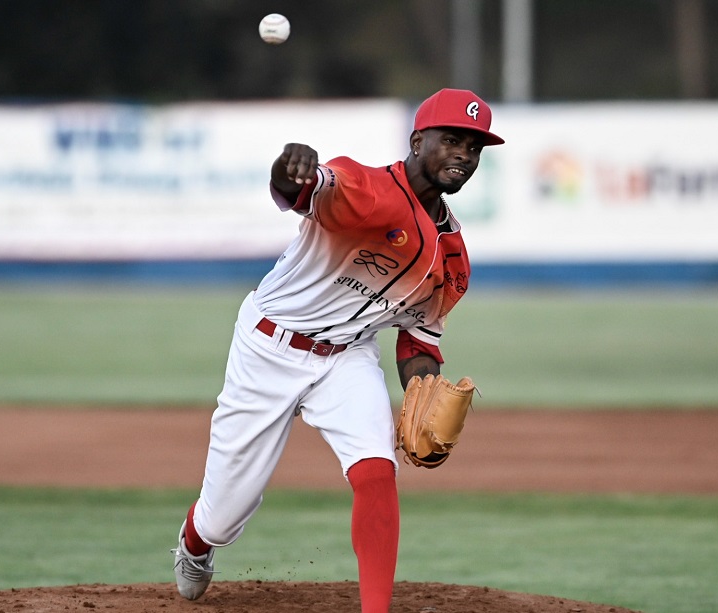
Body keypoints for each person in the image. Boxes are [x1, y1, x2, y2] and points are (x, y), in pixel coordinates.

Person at [171, 88, 504, 613]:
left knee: (376, 470)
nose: (464, 154)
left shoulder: (453, 256)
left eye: (475, 147)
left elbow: (418, 337)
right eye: (452, 140)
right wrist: (290, 166)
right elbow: (297, 190)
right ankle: (195, 542)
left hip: (346, 357)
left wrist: (422, 386)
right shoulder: (366, 187)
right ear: (418, 141)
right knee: (224, 514)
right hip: (269, 346)